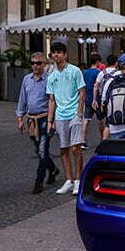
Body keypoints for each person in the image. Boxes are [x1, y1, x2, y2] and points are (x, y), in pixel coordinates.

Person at [46, 41, 86, 195]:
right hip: (60, 115)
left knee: (76, 148)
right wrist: (50, 121)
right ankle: (68, 180)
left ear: (65, 54)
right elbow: (51, 99)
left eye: (59, 52)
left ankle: (78, 179)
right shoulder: (52, 75)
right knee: (63, 149)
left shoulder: (75, 71)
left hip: (74, 114)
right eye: (54, 52)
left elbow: (82, 92)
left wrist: (79, 114)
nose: (56, 55)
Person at [17, 52, 59, 194]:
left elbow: (54, 101)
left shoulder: (49, 79)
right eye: (33, 63)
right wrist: (19, 117)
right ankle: (53, 169)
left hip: (45, 118)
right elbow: (22, 98)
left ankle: (38, 181)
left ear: (44, 64)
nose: (35, 66)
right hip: (31, 120)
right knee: (39, 150)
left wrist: (52, 121)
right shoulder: (26, 79)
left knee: (42, 150)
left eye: (38, 63)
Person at [81, 54, 102, 149]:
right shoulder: (98, 72)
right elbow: (99, 86)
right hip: (97, 99)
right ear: (97, 62)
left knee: (86, 120)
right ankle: (103, 139)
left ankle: (83, 140)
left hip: (87, 98)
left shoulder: (84, 72)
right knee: (101, 120)